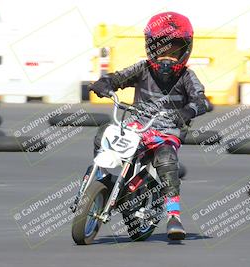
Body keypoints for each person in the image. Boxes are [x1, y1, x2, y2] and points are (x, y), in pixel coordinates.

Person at [89, 11, 213, 240]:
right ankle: (101, 179)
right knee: (103, 134)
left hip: (167, 131)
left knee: (166, 158)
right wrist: (104, 82)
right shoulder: (142, 68)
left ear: (186, 49)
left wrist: (187, 111)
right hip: (136, 125)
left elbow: (201, 100)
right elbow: (117, 78)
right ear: (149, 47)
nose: (166, 57)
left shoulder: (187, 76)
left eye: (173, 50)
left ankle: (173, 216)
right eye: (160, 49)